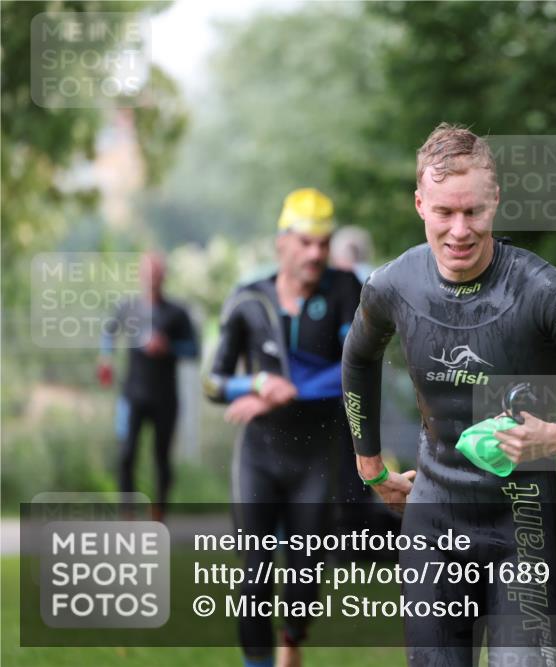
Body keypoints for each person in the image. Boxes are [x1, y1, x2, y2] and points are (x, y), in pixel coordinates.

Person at [341, 124, 556, 666]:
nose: (460, 230)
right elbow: (358, 358)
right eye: (444, 212)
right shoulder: (393, 286)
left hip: (524, 528)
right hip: (433, 519)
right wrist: (371, 467)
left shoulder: (543, 292)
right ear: (420, 204)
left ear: (497, 202)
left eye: (474, 212)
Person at [203, 188, 367, 667]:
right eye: (305, 242)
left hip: (316, 456)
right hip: (259, 455)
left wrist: (285, 387)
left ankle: (291, 641)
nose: (316, 253)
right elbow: (214, 382)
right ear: (282, 243)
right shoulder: (248, 299)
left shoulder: (345, 291)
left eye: (324, 243)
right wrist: (254, 383)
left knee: (304, 575)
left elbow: (354, 369)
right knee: (254, 576)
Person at [99, 251, 199, 522]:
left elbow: (193, 349)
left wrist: (168, 347)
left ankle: (159, 512)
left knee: (161, 458)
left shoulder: (177, 313)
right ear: (140, 275)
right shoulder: (128, 307)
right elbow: (108, 331)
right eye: (147, 272)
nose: (151, 278)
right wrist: (105, 357)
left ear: (163, 276)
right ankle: (127, 512)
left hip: (165, 397)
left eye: (156, 272)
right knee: (127, 453)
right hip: (133, 394)